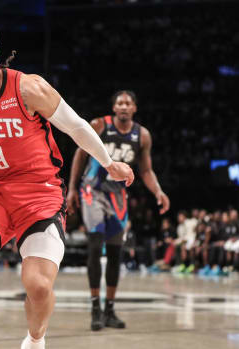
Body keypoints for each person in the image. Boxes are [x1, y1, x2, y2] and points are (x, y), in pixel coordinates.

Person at [0, 22, 135, 349]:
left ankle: (36, 337)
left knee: (38, 286)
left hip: (39, 197)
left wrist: (109, 162)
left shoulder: (27, 88)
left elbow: (76, 127)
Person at [67, 90, 170, 331]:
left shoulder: (142, 136)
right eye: (120, 103)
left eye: (128, 103)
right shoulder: (100, 125)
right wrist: (72, 188)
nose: (124, 106)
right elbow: (80, 155)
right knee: (94, 246)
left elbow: (145, 171)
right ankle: (95, 308)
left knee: (115, 253)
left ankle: (110, 309)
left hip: (118, 196)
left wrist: (158, 192)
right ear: (114, 108)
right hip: (92, 191)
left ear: (134, 108)